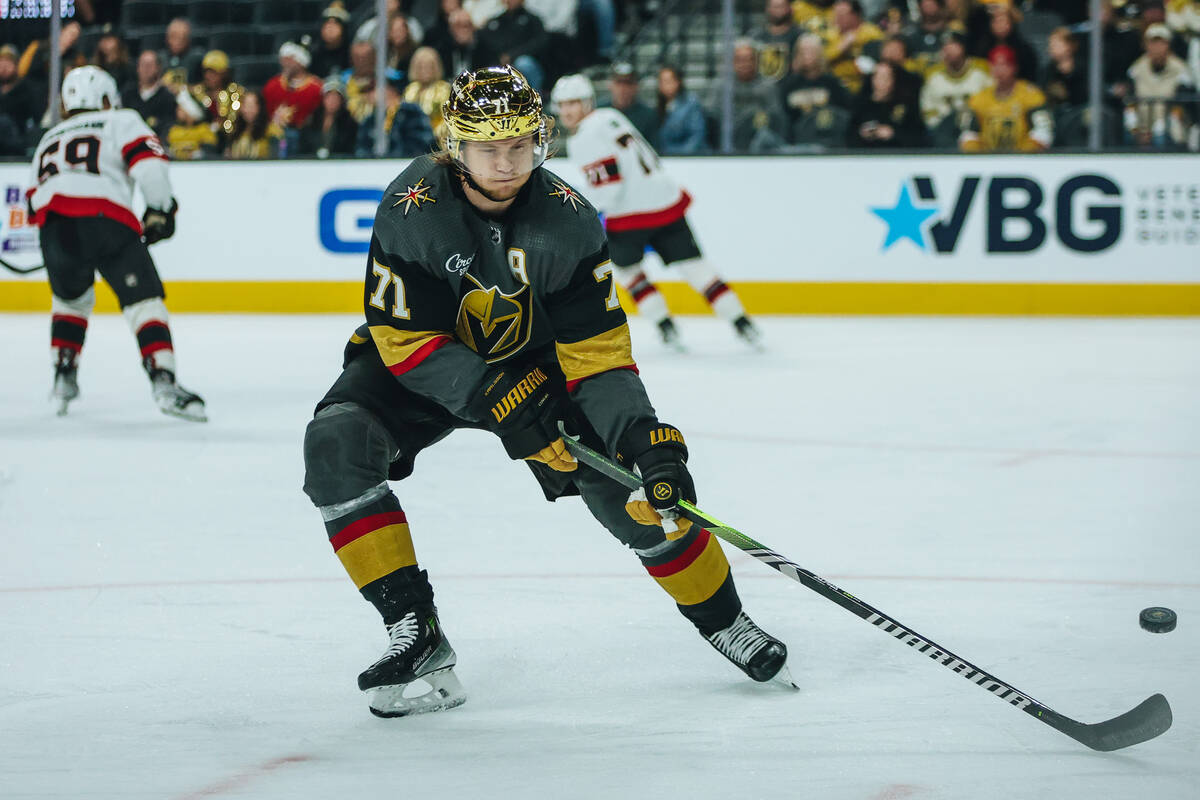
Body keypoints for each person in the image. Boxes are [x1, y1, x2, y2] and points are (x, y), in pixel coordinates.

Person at [301, 65, 791, 718]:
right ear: (457, 146)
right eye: (487, 148)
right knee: (335, 442)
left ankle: (726, 620)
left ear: (540, 141)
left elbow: (597, 356)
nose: (505, 164)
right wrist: (494, 400)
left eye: (518, 146)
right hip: (426, 367)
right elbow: (403, 340)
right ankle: (414, 629)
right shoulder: (410, 204)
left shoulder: (570, 222)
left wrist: (638, 434)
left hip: (537, 373)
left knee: (633, 492)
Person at [26, 66, 205, 422]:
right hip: (106, 218)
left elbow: (33, 202)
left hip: (54, 228)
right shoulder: (119, 119)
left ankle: (63, 376)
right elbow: (150, 165)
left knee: (70, 299)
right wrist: (159, 209)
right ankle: (164, 381)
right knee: (143, 302)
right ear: (106, 98)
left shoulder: (48, 138)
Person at [552, 73, 764, 350]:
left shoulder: (584, 137)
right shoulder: (610, 116)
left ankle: (665, 326)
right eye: (563, 104)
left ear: (587, 103)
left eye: (573, 103)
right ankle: (742, 322)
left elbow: (609, 189)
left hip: (629, 215)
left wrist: (581, 210)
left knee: (628, 273)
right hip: (665, 200)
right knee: (695, 267)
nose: (568, 111)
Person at [960, 45, 1052, 152]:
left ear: (1014, 67)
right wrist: (978, 154)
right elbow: (968, 134)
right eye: (995, 65)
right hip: (987, 160)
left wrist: (1023, 153)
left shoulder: (1031, 96)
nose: (999, 71)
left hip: (1025, 158)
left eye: (1004, 65)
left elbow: (1043, 131)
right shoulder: (979, 99)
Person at [120, 50, 178, 140]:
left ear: (158, 68)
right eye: (143, 65)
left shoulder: (167, 97)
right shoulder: (128, 94)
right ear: (137, 68)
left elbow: (168, 127)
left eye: (150, 65)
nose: (146, 69)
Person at [654, 64, 710, 154]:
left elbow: (696, 136)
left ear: (678, 82)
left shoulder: (691, 104)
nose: (664, 85)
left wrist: (681, 156)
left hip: (688, 158)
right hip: (667, 157)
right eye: (661, 82)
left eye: (668, 81)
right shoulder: (660, 107)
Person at [603, 62, 657, 144]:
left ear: (636, 86)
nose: (623, 89)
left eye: (628, 83)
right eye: (619, 83)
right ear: (610, 85)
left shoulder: (648, 115)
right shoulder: (600, 112)